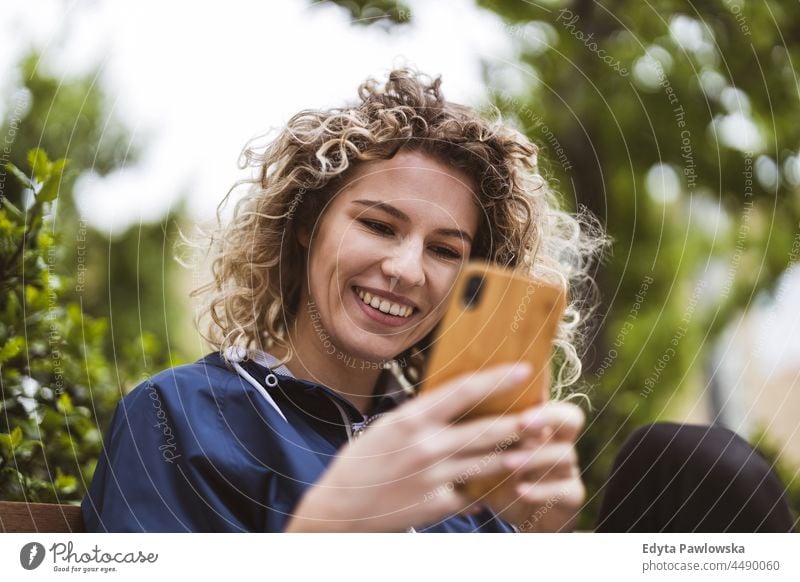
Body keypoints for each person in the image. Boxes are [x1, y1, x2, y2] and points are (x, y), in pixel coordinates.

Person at [81, 68, 794, 533]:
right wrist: (326, 531)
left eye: (447, 250)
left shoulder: (460, 447)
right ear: (305, 228)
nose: (405, 268)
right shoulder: (179, 417)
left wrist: (539, 537)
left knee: (690, 462)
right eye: (378, 225)